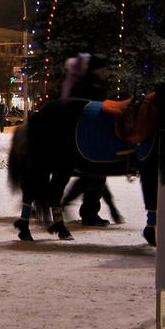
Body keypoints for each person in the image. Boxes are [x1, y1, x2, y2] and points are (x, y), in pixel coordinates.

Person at [61, 52, 114, 226]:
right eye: (104, 68)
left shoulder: (92, 83)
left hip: (90, 134)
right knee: (95, 174)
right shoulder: (89, 85)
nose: (107, 71)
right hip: (88, 135)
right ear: (98, 69)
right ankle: (87, 212)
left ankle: (88, 211)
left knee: (96, 175)